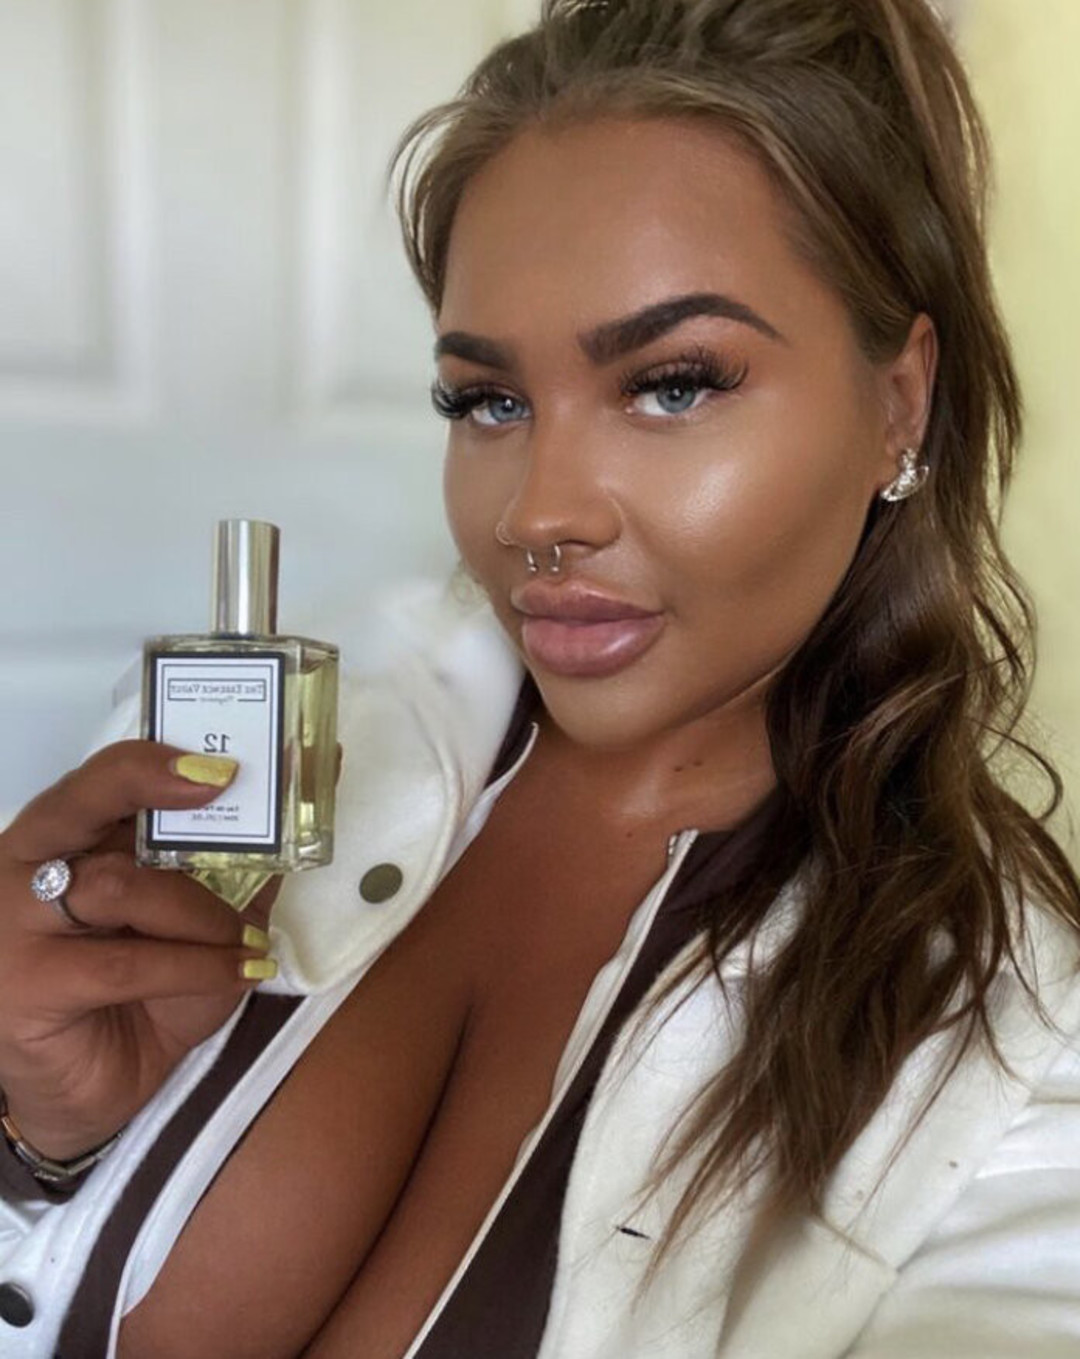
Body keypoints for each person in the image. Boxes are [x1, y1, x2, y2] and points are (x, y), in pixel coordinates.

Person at [2, 0, 1079, 1354]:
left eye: (674, 384)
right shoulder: (271, 735)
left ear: (899, 404)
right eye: (488, 401)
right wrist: (45, 1136)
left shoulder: (1010, 1057)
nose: (535, 513)